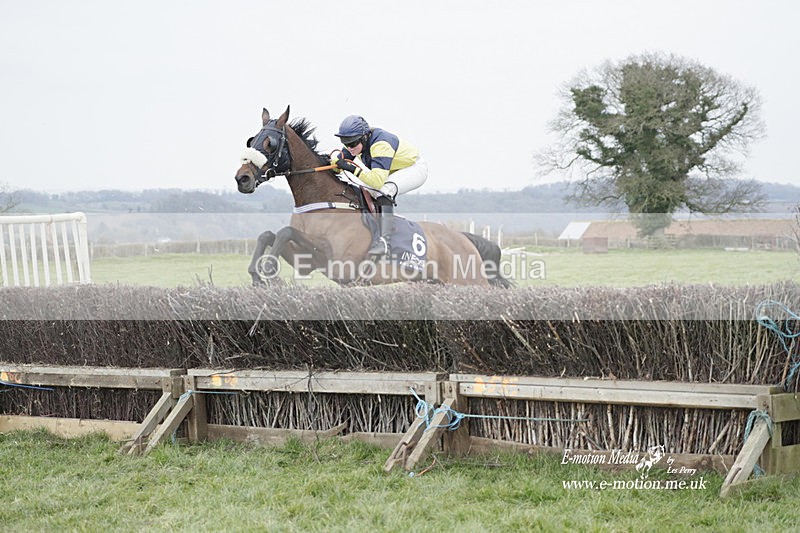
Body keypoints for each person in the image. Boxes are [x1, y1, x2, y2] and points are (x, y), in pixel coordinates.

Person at [330, 115, 428, 257]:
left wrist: (352, 168)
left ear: (364, 137)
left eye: (352, 144)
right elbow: (338, 164)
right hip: (391, 170)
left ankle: (384, 242)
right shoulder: (354, 143)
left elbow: (377, 181)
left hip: (414, 168)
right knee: (363, 188)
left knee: (383, 190)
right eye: (345, 143)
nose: (349, 148)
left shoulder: (380, 144)